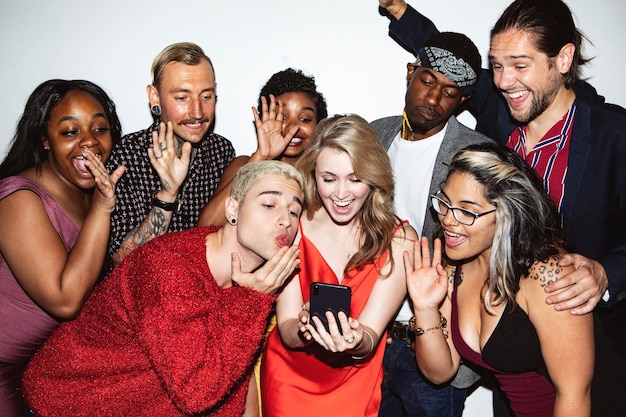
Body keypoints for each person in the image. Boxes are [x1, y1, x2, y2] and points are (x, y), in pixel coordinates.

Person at [379, 0, 626, 363]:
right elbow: (445, 57)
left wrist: (607, 273)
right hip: (506, 349)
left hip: (590, 346)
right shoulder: (500, 109)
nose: (502, 81)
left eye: (519, 65)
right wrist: (400, 10)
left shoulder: (614, 134)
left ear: (562, 59)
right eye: (496, 66)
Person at [21, 160, 304, 417]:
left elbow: (231, 364)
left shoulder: (250, 279)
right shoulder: (170, 268)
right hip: (62, 402)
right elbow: (197, 393)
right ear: (232, 209)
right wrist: (251, 301)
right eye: (269, 205)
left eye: (294, 211)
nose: (285, 220)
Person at [404, 142, 626, 417]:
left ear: (506, 213)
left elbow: (574, 396)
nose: (448, 219)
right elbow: (439, 372)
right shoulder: (454, 266)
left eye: (467, 210)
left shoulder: (547, 273)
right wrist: (425, 309)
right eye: (445, 203)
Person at [260, 115, 417, 417]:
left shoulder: (399, 240)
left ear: (373, 178)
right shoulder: (292, 227)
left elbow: (370, 336)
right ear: (313, 175)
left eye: (355, 179)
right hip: (289, 382)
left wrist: (356, 340)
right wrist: (306, 328)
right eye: (329, 179)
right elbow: (287, 328)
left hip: (354, 384)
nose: (341, 194)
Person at [371, 31, 494, 417]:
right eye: (427, 81)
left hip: (432, 344)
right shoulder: (375, 135)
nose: (434, 99)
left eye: (450, 91)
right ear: (411, 72)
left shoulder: (476, 154)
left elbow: (492, 247)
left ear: (464, 100)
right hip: (371, 338)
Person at [0, 79, 125, 416]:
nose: (89, 141)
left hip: (39, 371)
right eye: (70, 132)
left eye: (100, 128)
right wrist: (102, 209)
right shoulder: (20, 198)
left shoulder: (90, 195)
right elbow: (66, 299)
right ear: (44, 140)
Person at [106, 42, 235, 268]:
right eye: (182, 98)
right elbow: (120, 261)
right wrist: (168, 193)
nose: (197, 113)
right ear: (155, 96)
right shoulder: (127, 155)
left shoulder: (221, 151)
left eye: (206, 96)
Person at [198, 67, 327, 226]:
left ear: (318, 126)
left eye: (305, 119)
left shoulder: (327, 178)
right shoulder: (244, 165)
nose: (293, 127)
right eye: (282, 116)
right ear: (264, 119)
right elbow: (206, 228)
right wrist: (261, 158)